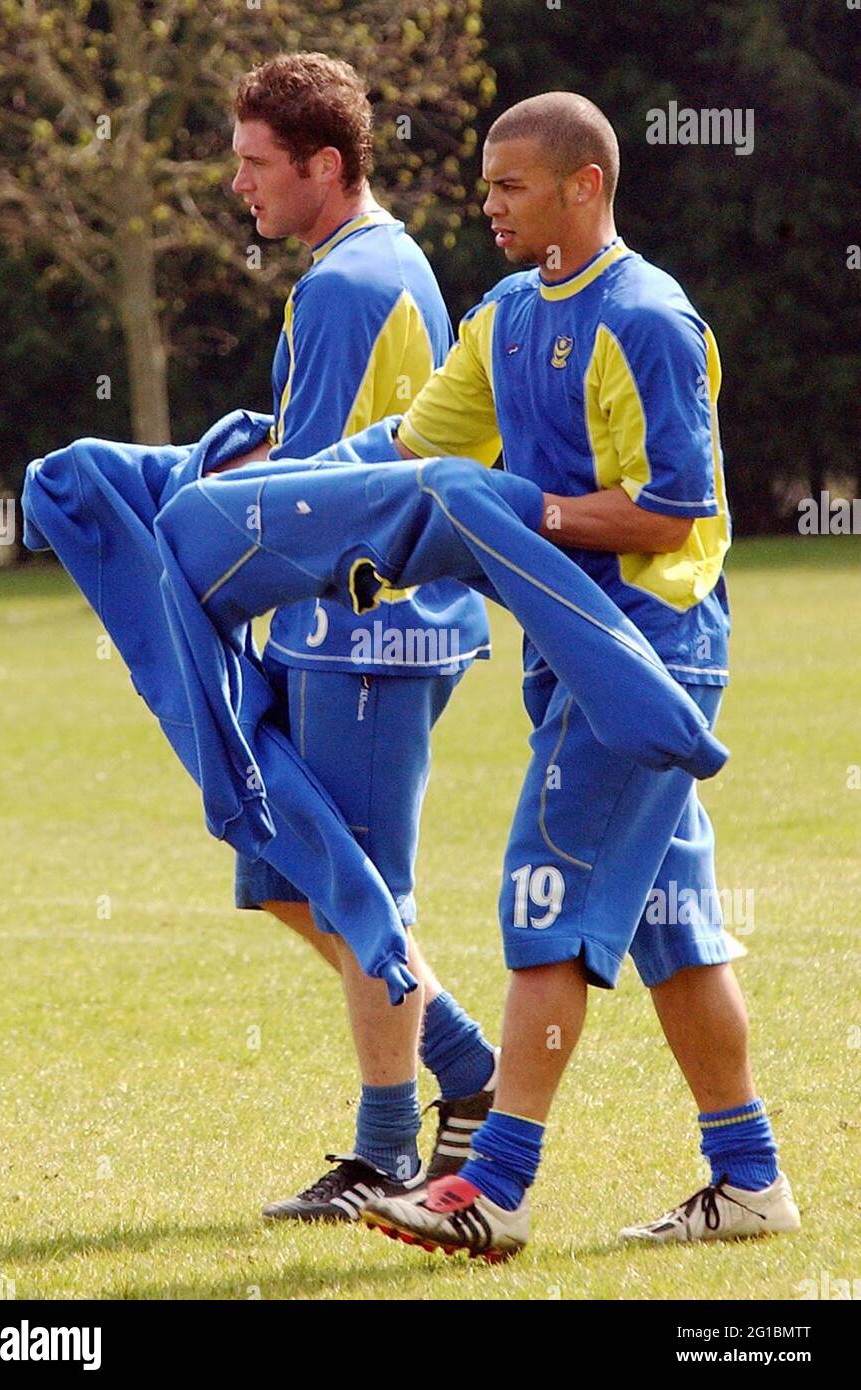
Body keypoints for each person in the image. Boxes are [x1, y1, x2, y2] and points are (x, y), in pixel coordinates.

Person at [360, 92, 800, 1257]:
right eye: (487, 185)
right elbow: (404, 447)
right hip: (573, 656)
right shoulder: (504, 316)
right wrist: (262, 482)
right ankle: (748, 1180)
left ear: (582, 187)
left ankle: (492, 1191)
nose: (487, 204)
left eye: (507, 185)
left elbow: (671, 511)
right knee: (672, 928)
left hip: (645, 660)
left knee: (543, 905)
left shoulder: (648, 317)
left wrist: (526, 510)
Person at [218, 54, 500, 1219]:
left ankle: (385, 1152)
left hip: (372, 633)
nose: (236, 185)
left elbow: (317, 489)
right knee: (285, 871)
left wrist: (207, 510)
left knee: (360, 894)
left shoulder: (346, 283)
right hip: (335, 627)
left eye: (252, 163)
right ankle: (468, 1060)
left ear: (321, 165)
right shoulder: (362, 264)